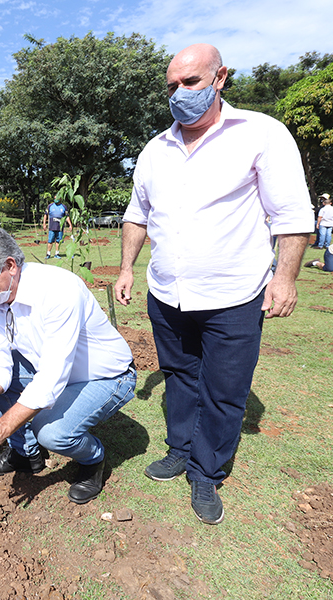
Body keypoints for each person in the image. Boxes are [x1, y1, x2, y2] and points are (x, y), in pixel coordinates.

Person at [114, 43, 314, 525]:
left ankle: (206, 471)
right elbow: (137, 216)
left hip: (234, 296)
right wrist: (126, 269)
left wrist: (285, 278)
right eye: (172, 86)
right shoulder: (155, 149)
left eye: (191, 82)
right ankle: (180, 449)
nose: (179, 93)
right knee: (180, 378)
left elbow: (291, 214)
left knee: (224, 390)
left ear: (220, 77)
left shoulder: (261, 133)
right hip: (167, 294)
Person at [0, 225, 136, 505]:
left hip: (105, 376)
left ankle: (93, 458)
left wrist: (2, 427)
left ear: (10, 266)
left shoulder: (58, 290)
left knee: (52, 433)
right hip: (55, 371)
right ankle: (25, 454)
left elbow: (51, 376)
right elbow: (0, 360)